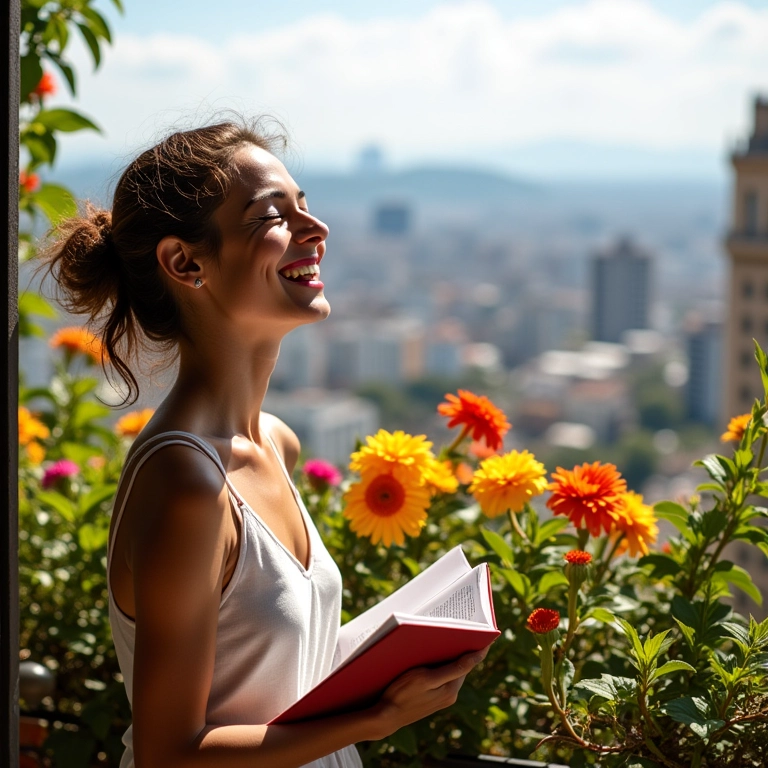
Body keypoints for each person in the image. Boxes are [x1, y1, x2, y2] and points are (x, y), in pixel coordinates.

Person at [41, 119, 489, 768]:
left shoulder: (275, 443)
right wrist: (374, 717)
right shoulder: (187, 485)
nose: (316, 229)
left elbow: (270, 672)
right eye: (275, 216)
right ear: (185, 262)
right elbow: (171, 754)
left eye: (306, 206)